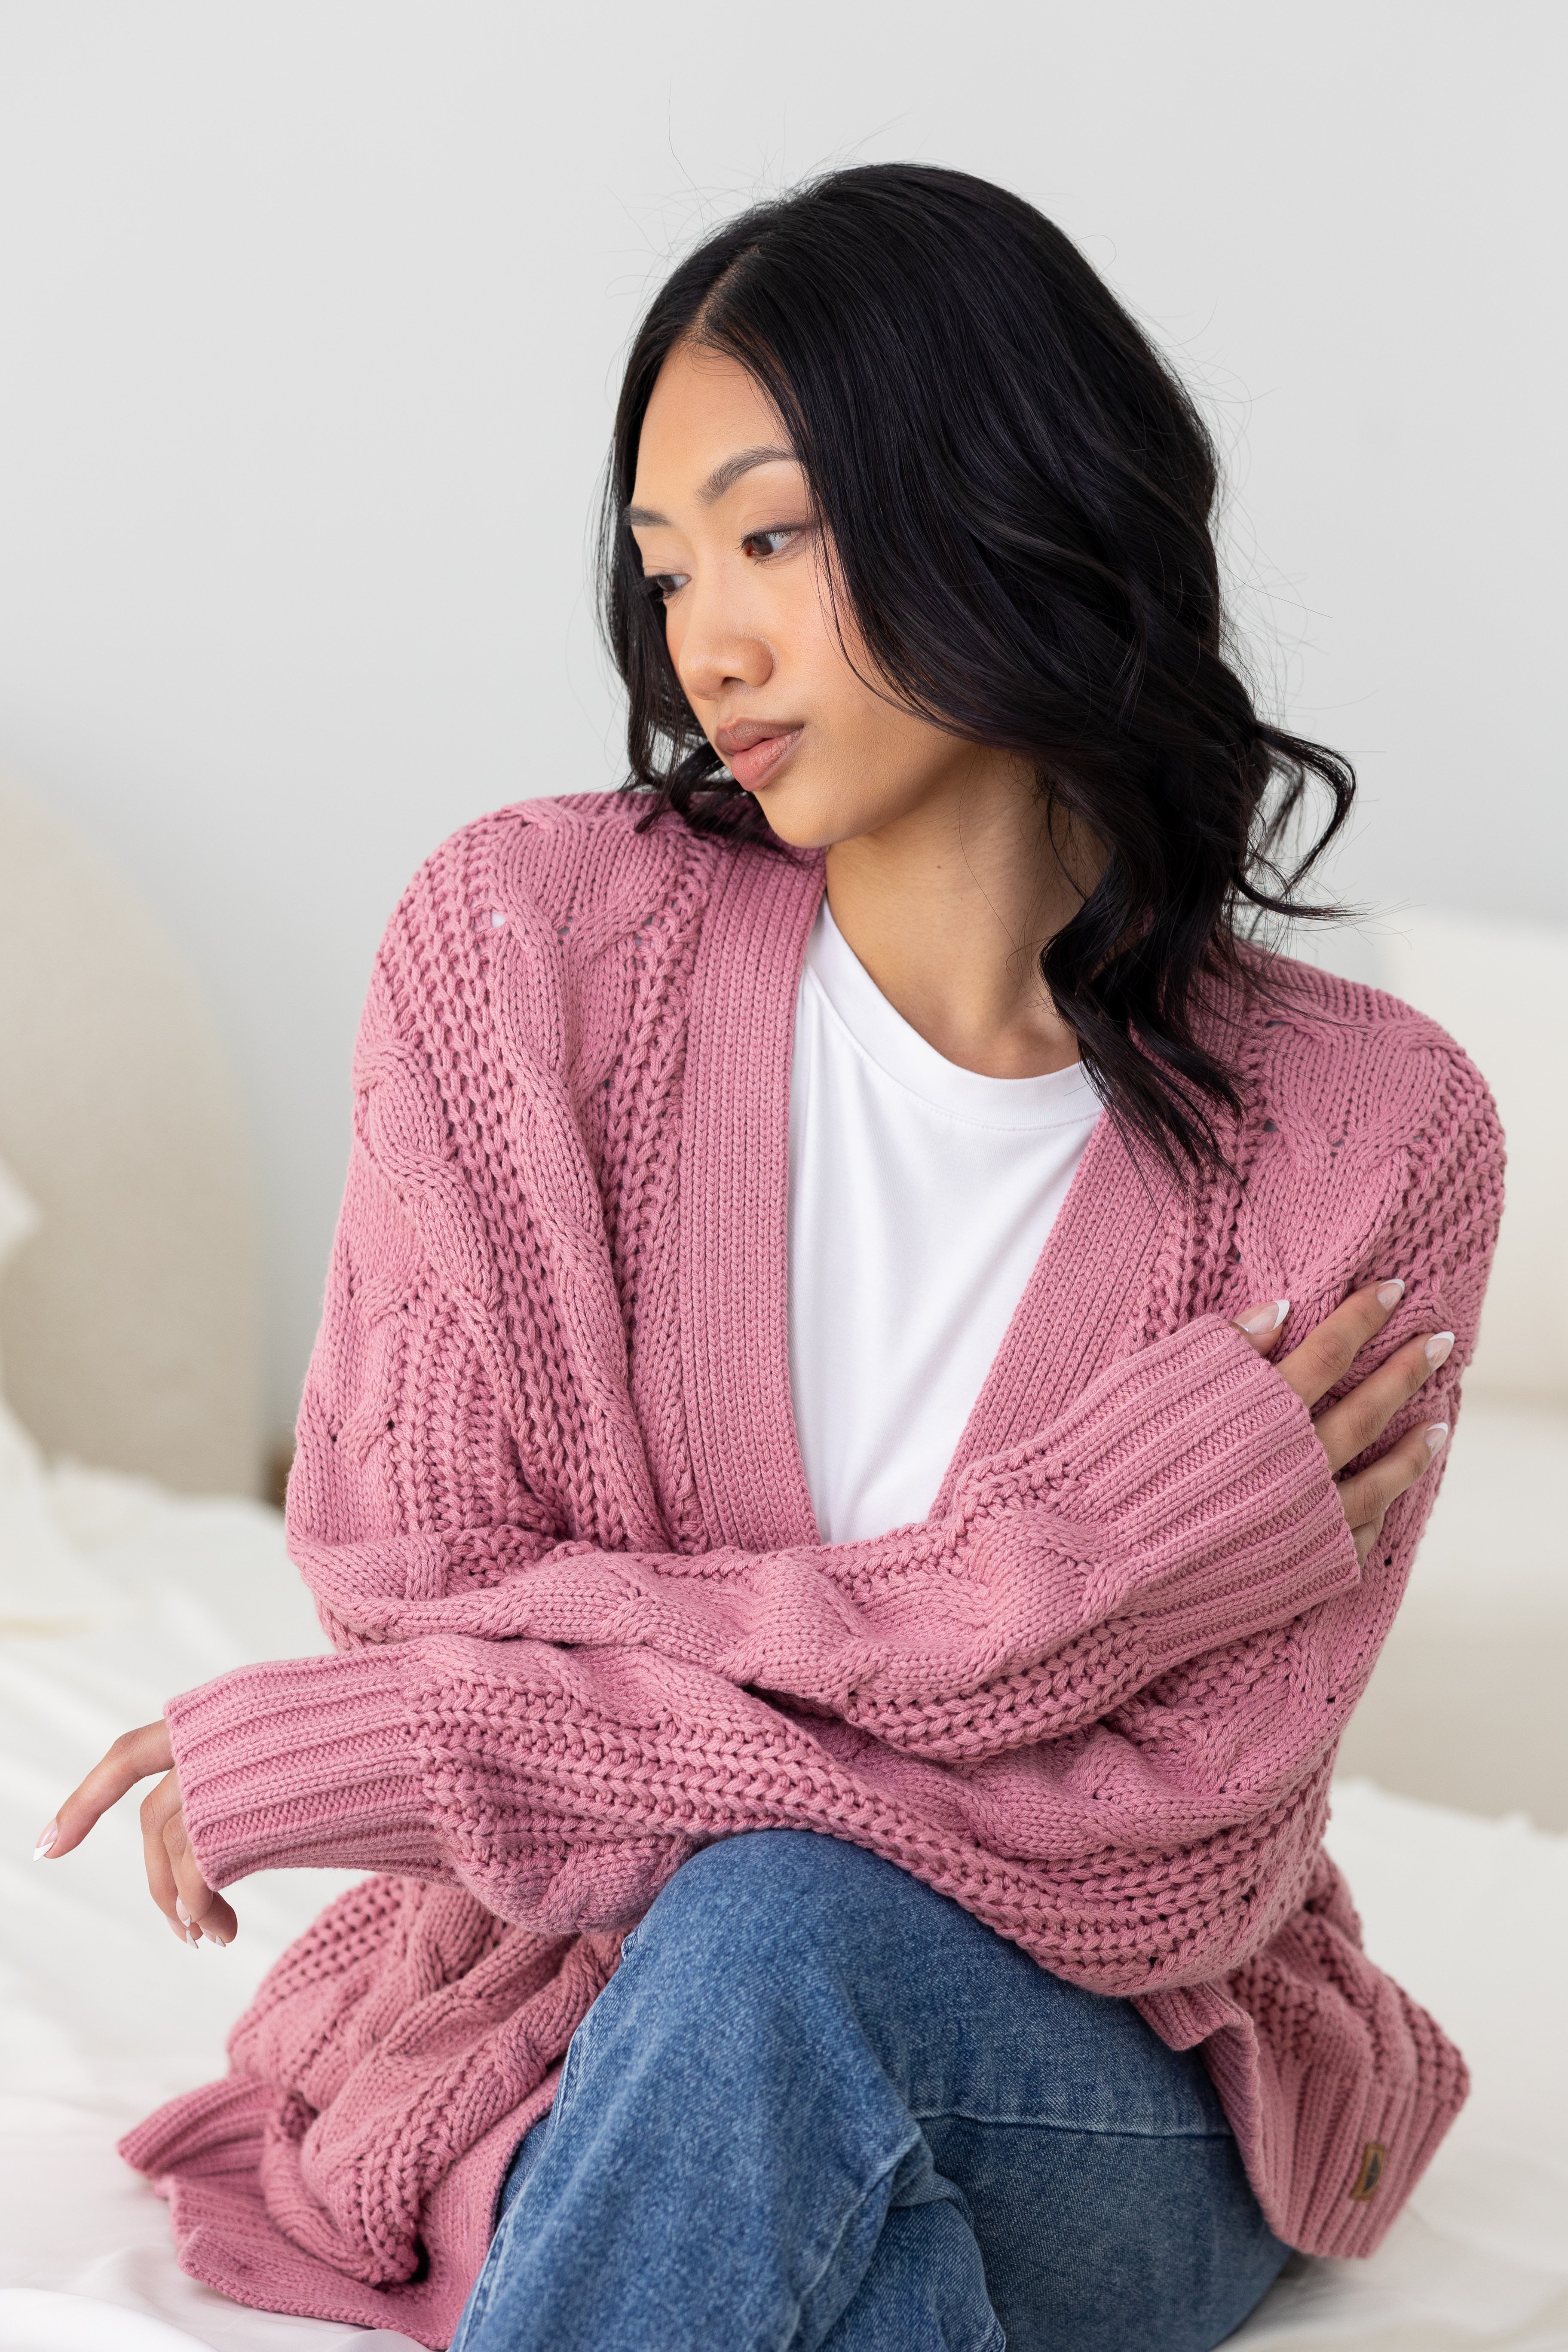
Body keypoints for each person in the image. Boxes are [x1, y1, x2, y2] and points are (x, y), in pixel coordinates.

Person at [39, 165, 1501, 2352]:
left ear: (1007, 493)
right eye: (662, 568)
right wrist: (1103, 1559)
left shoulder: (1373, 1135)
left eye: (773, 534)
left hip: (1122, 2091)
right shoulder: (519, 957)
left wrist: (456, 1744)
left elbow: (1166, 1850)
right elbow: (422, 1596)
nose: (702, 639)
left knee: (770, 1949)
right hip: (565, 2037)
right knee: (769, 2095)